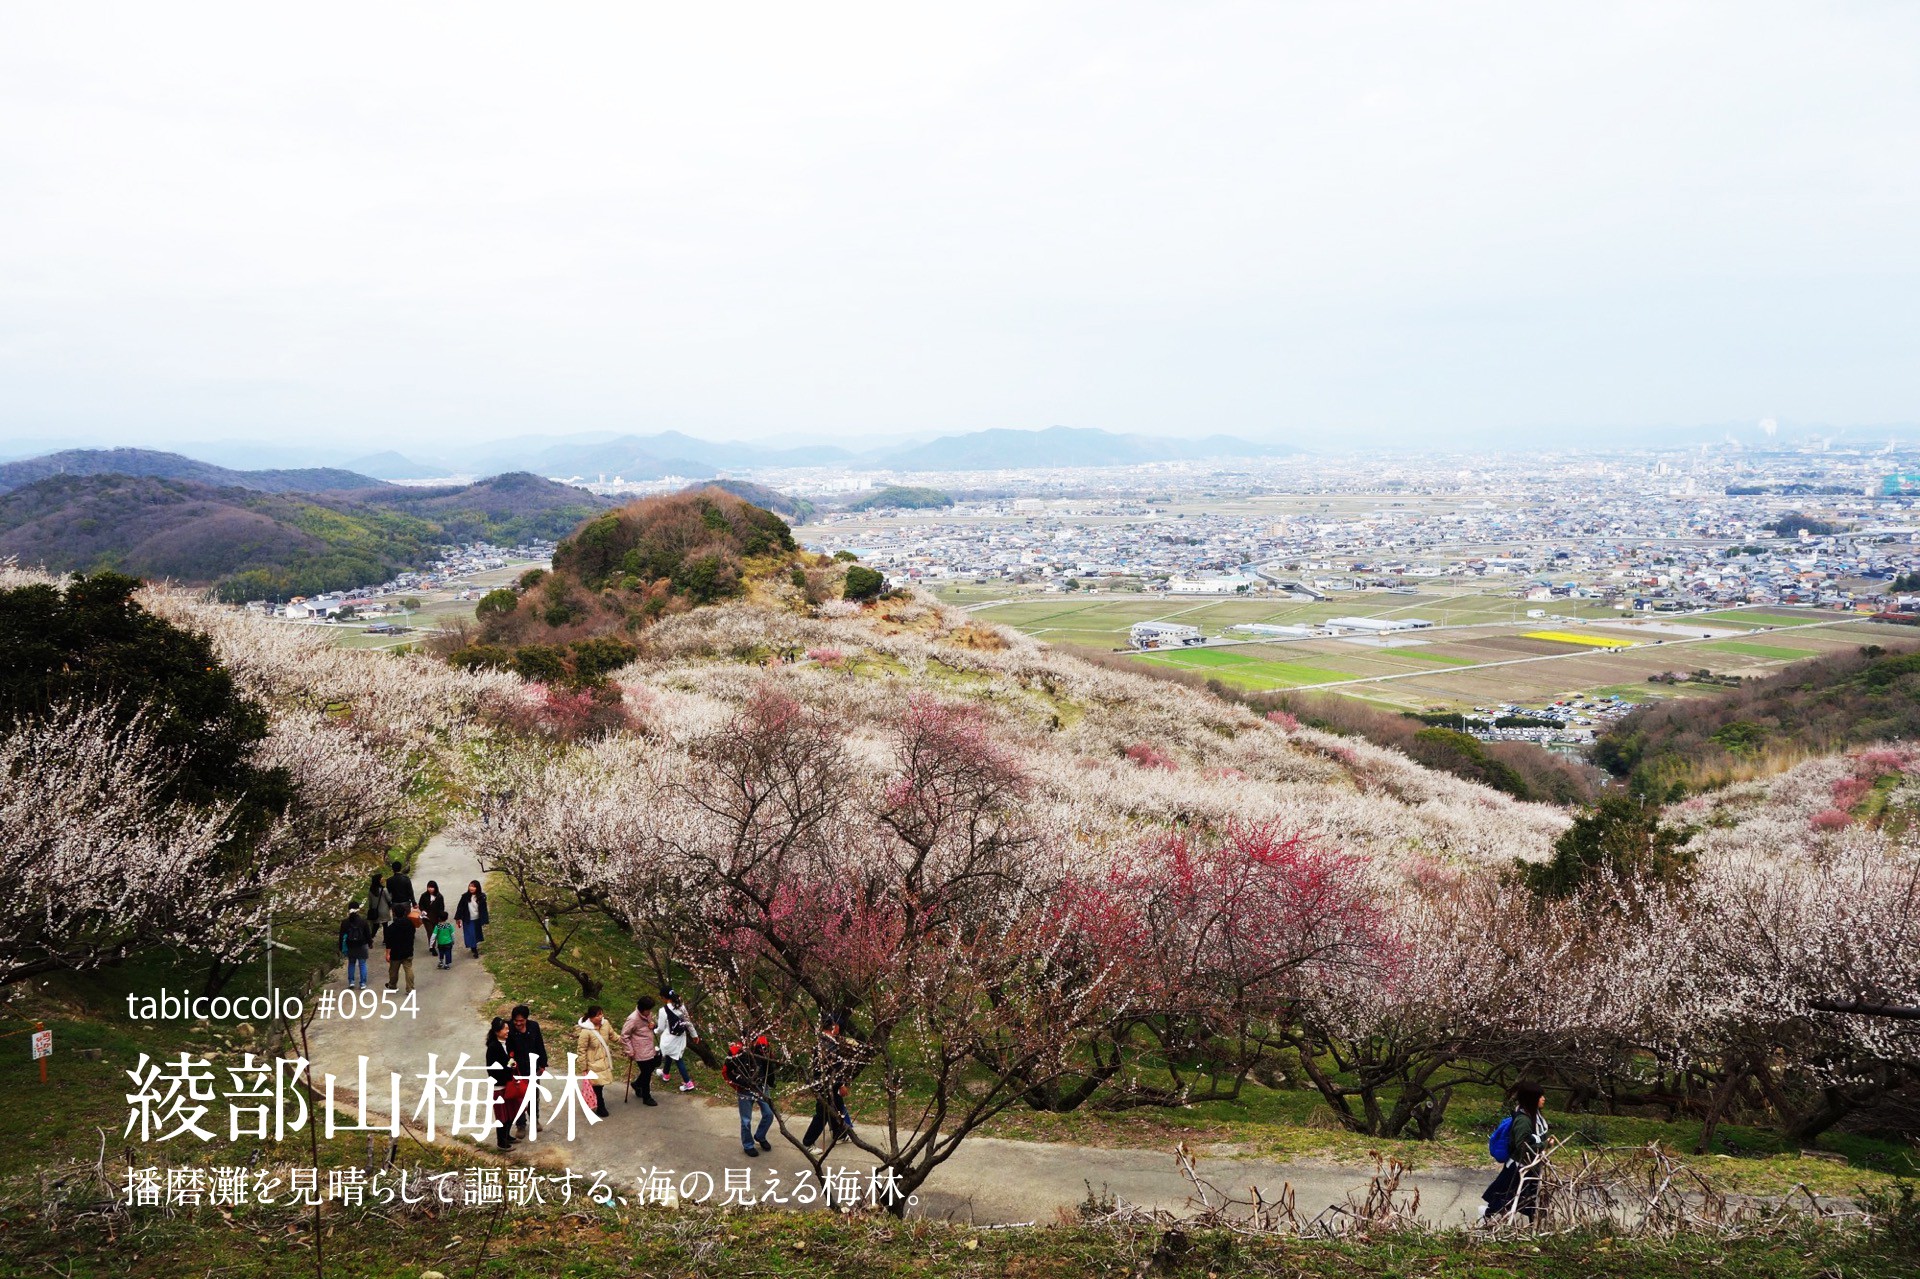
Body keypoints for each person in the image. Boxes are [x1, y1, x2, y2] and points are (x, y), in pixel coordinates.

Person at [1482, 1082, 1550, 1223]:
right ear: (1531, 1099)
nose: (1543, 1099)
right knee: (1504, 1196)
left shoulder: (1535, 1117)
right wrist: (1545, 1144)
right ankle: (1486, 1217)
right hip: (1518, 1167)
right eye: (1540, 1096)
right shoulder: (1523, 1121)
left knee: (1530, 1197)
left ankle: (1534, 1224)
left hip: (1530, 1166)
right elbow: (1522, 1146)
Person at [802, 1010, 858, 1154]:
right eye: (838, 1025)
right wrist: (841, 1085)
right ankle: (808, 1142)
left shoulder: (823, 1041)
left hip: (825, 1083)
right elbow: (832, 1069)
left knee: (838, 1107)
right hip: (826, 1084)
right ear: (834, 1026)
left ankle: (839, 1133)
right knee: (823, 1113)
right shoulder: (828, 1044)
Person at [725, 1034, 776, 1157]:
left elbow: (769, 1062)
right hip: (744, 1089)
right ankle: (748, 1145)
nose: (752, 1043)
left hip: (761, 1086)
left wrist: (770, 1080)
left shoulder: (762, 1045)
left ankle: (760, 1136)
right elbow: (728, 1072)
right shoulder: (735, 1051)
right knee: (746, 1120)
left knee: (769, 1114)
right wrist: (741, 1083)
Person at [505, 1004, 549, 1140]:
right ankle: (521, 1125)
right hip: (517, 1069)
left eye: (521, 1021)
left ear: (526, 1019)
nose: (518, 1023)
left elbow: (539, 1045)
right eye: (516, 1021)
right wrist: (510, 1066)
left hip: (532, 1067)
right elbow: (506, 1050)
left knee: (533, 1096)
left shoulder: (533, 1027)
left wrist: (542, 1064)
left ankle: (534, 1120)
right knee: (518, 1098)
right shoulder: (508, 1029)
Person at [485, 1016, 520, 1151]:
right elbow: (493, 1069)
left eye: (507, 1028)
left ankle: (507, 1136)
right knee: (502, 1115)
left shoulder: (506, 1044)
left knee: (511, 1112)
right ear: (497, 1031)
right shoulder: (493, 1048)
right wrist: (508, 1067)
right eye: (505, 1029)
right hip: (499, 1086)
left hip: (509, 1084)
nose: (507, 1031)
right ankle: (501, 1142)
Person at [655, 989, 699, 1092]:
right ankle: (665, 1074)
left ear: (664, 998)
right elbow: (688, 1022)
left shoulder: (663, 1010)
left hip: (669, 1038)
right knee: (673, 1054)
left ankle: (688, 1083)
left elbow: (660, 1028)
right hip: (680, 1037)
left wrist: (655, 1030)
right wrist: (694, 1035)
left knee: (678, 1059)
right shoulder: (681, 1006)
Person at [575, 1005, 615, 1119]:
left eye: (601, 1014)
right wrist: (583, 1067)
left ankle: (596, 1102)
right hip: (593, 1062)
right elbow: (581, 1050)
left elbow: (613, 1035)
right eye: (598, 1015)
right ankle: (601, 1105)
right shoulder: (586, 1032)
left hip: (604, 1060)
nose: (601, 1017)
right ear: (591, 1017)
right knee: (597, 1085)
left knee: (600, 1084)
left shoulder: (605, 1024)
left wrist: (625, 1042)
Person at [620, 996, 661, 1105]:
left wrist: (654, 1025)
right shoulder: (632, 1019)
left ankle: (637, 1084)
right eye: (648, 1010)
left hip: (649, 1047)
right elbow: (624, 1036)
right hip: (639, 1050)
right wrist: (630, 1050)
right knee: (647, 1073)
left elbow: (650, 1025)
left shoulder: (648, 1014)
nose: (650, 1012)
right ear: (642, 1009)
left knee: (651, 1068)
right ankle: (647, 1097)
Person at [382, 902, 418, 994]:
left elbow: (389, 943)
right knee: (408, 969)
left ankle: (392, 985)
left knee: (393, 970)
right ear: (405, 912)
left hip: (396, 952)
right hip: (408, 950)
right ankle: (410, 988)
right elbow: (412, 934)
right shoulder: (410, 924)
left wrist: (387, 954)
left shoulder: (391, 927)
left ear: (394, 913)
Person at [339, 901, 372, 990]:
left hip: (350, 945)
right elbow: (368, 934)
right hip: (362, 945)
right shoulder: (363, 922)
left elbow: (341, 936)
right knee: (362, 964)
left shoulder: (345, 922)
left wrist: (340, 947)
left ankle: (351, 982)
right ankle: (363, 983)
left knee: (351, 963)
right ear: (358, 910)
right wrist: (370, 943)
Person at [455, 879, 489, 958]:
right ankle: (474, 949)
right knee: (470, 934)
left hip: (477, 919)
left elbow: (484, 909)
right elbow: (460, 907)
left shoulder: (481, 897)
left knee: (476, 934)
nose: (471, 888)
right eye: (470, 886)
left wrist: (485, 919)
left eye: (473, 887)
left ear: (477, 888)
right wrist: (458, 918)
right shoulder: (465, 896)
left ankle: (474, 946)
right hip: (468, 919)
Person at [365, 870, 393, 937]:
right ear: (378, 880)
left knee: (375, 926)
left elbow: (370, 902)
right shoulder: (384, 889)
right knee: (385, 925)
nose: (382, 879)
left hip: (375, 911)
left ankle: (371, 937)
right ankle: (385, 940)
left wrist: (371, 909)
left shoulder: (371, 891)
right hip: (384, 910)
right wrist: (391, 894)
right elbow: (389, 899)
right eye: (381, 878)